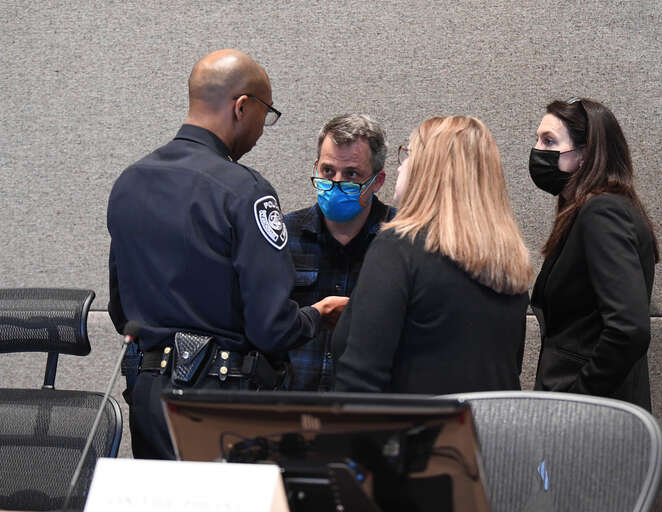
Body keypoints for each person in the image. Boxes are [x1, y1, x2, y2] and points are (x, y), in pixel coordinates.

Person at [108, 49, 346, 459]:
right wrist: (316, 316)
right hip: (222, 402)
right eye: (265, 113)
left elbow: (119, 310)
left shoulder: (130, 182)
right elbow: (271, 326)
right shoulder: (246, 192)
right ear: (242, 107)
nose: (261, 128)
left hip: (146, 396)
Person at [332, 116, 533, 394]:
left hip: (414, 434)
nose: (401, 165)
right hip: (487, 434)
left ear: (430, 171)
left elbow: (359, 381)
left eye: (409, 154)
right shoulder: (511, 266)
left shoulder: (399, 247)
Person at [528, 97, 659, 411]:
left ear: (585, 154)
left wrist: (579, 397)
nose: (537, 150)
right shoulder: (590, 212)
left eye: (549, 141)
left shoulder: (602, 212)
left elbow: (629, 329)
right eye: (537, 140)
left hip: (591, 421)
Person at [285, 114, 395, 391]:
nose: (335, 182)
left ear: (377, 181)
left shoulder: (401, 240)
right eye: (327, 171)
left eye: (351, 174)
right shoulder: (284, 233)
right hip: (292, 403)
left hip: (368, 408)